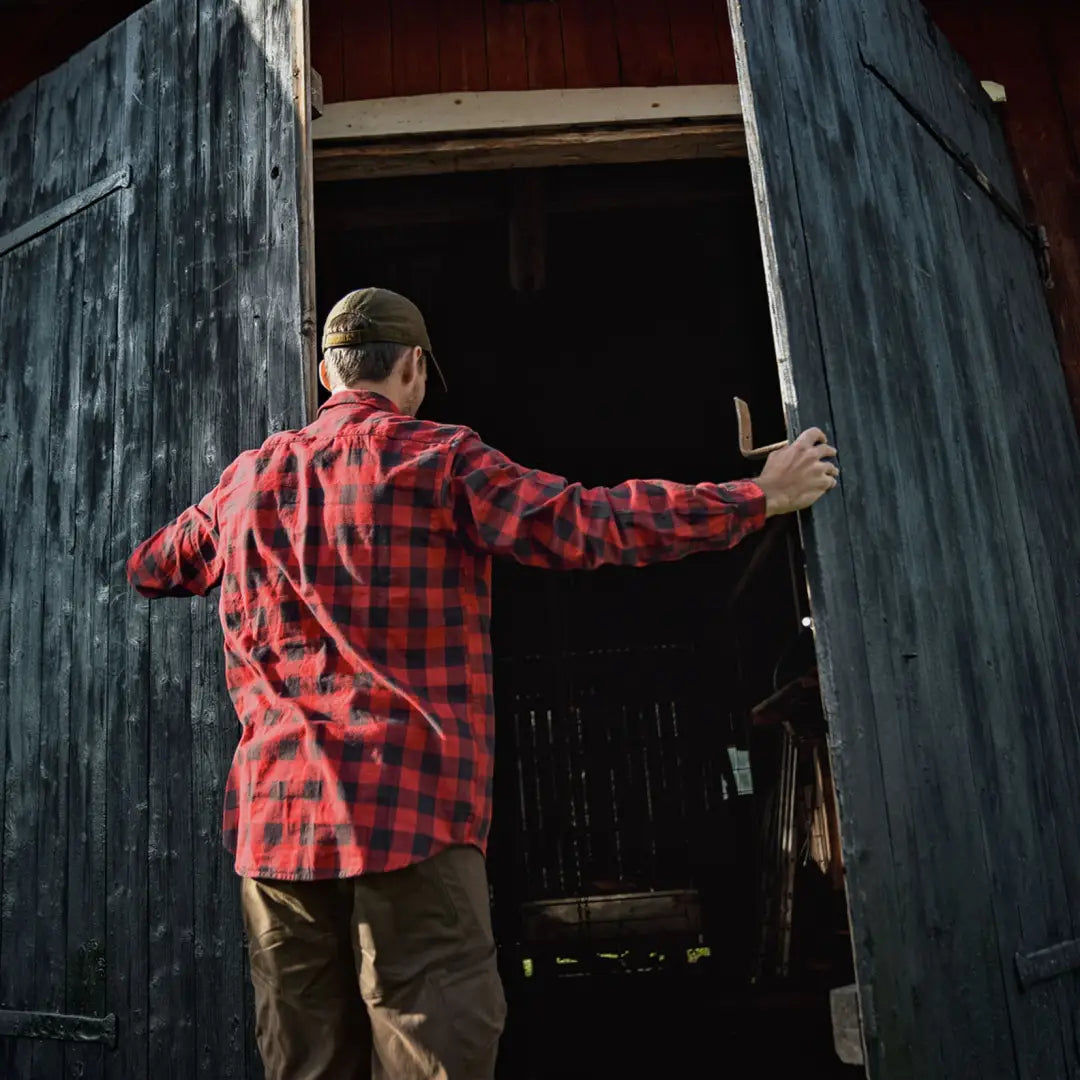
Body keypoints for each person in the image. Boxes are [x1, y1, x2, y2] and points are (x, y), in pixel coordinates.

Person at [127, 287, 839, 1080]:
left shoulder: (245, 481)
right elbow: (585, 523)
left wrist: (248, 526)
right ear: (415, 369)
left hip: (278, 830)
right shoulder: (440, 460)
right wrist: (756, 497)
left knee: (304, 1063)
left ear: (327, 373)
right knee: (433, 1046)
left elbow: (155, 567)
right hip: (410, 816)